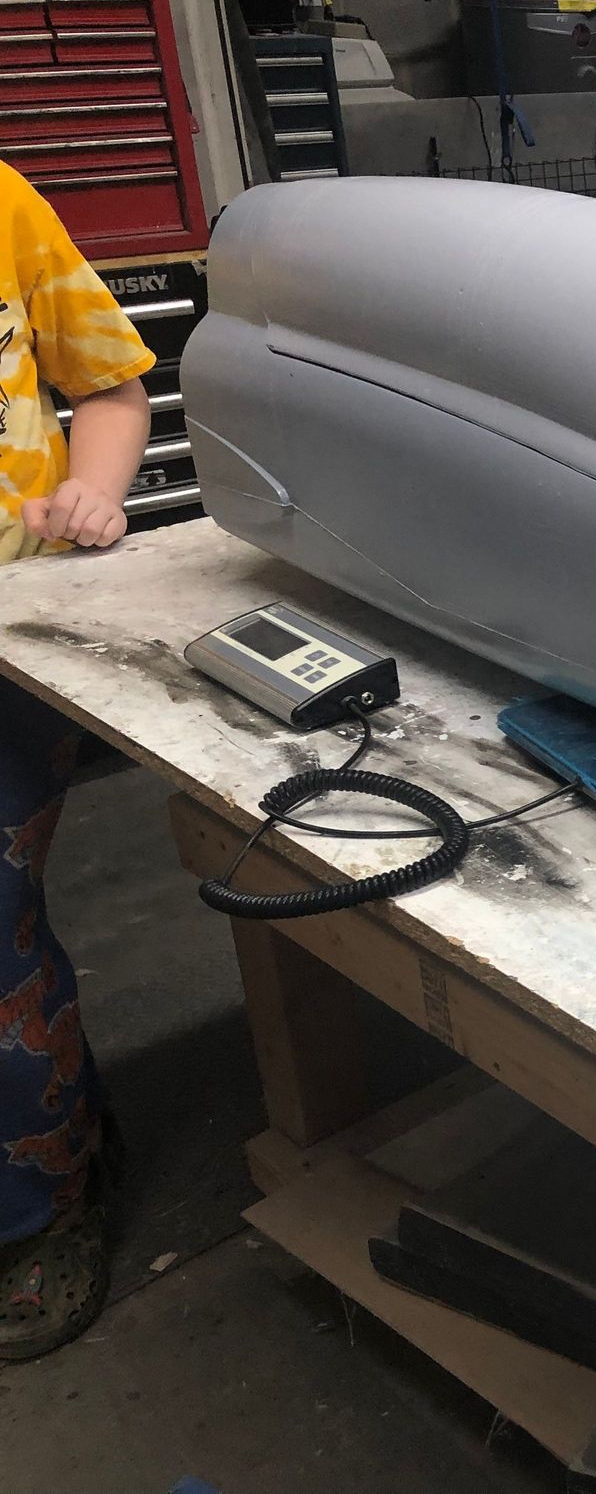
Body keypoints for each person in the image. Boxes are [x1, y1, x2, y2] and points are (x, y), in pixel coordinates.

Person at [0, 160, 155, 1359]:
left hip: (13, 642)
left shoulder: (5, 205)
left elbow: (108, 386)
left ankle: (41, 1207)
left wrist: (93, 495)